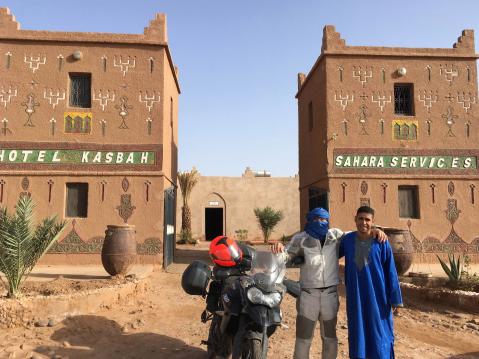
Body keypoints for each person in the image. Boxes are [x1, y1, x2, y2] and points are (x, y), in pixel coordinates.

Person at [271, 207, 387, 359]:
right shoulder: (301, 239)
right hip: (308, 296)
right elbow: (286, 256)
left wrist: (376, 230)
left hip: (330, 296)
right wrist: (279, 248)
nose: (321, 222)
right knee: (303, 340)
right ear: (310, 220)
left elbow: (358, 234)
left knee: (330, 339)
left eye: (324, 219)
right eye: (317, 219)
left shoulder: (335, 235)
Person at [339, 206, 403, 359]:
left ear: (373, 222)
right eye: (360, 219)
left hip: (378, 298)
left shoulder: (381, 242)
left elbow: (391, 271)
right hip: (356, 298)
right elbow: (329, 252)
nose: (364, 222)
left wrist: (395, 299)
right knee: (358, 333)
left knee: (379, 333)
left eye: (367, 220)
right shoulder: (347, 240)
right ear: (355, 219)